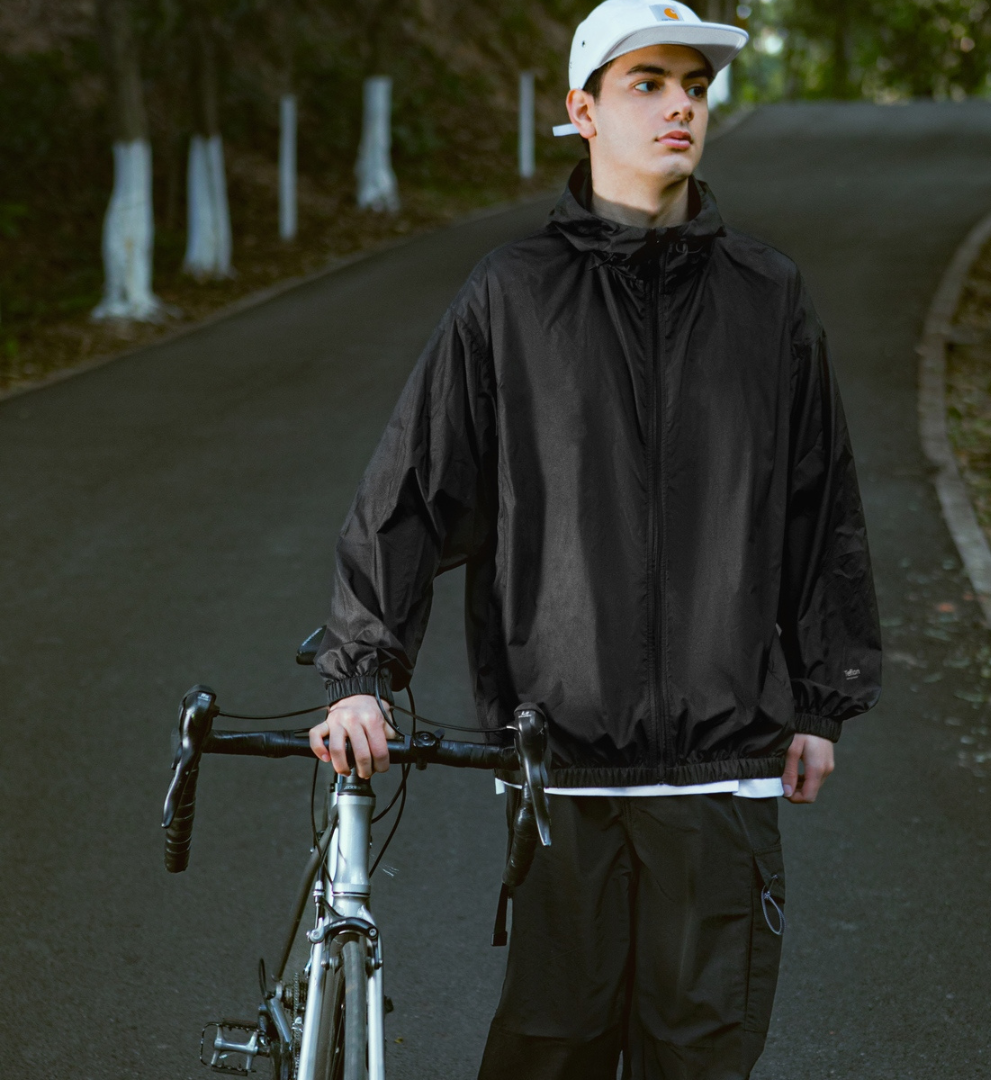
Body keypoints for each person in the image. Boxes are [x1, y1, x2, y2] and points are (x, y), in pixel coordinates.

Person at [309, 1, 881, 1076]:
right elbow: (412, 488)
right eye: (647, 83)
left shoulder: (768, 296)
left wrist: (821, 700)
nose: (680, 107)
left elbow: (818, 502)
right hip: (562, 771)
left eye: (695, 87)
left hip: (721, 777)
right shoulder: (512, 295)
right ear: (582, 110)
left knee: (700, 1057)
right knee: (549, 1055)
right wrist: (360, 673)